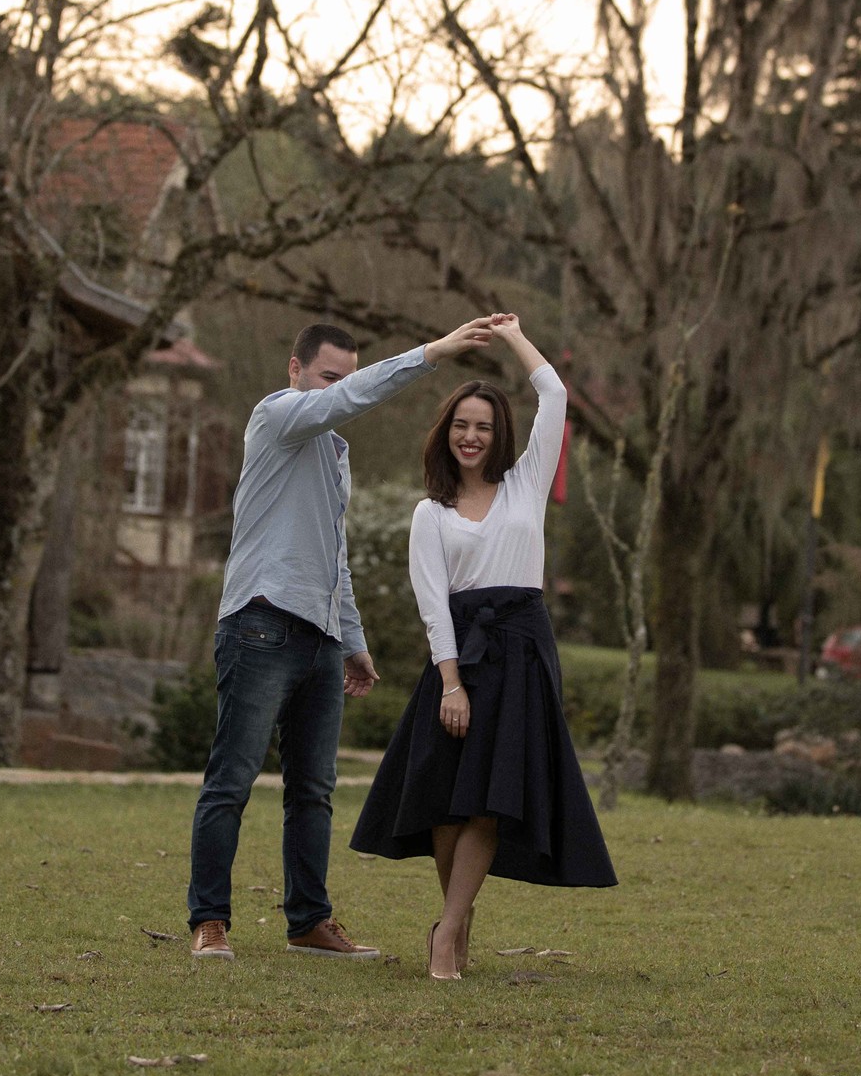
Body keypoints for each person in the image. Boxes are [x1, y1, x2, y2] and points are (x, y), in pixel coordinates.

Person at [187, 314, 499, 962]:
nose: (340, 391)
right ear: (295, 372)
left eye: (346, 379)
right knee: (233, 777)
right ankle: (210, 920)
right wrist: (434, 352)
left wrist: (351, 637)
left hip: (321, 635)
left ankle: (308, 920)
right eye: (329, 378)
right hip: (261, 620)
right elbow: (344, 401)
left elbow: (335, 552)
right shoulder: (276, 416)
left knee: (314, 788)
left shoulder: (335, 451)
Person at [350, 314, 617, 979]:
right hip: (460, 656)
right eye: (463, 425)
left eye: (486, 426)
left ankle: (447, 934)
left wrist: (517, 335)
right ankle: (456, 919)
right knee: (448, 793)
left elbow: (554, 395)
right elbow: (432, 603)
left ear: (500, 436)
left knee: (495, 796)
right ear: (447, 432)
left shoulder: (525, 485)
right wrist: (451, 682)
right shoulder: (429, 513)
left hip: (525, 652)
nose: (473, 436)